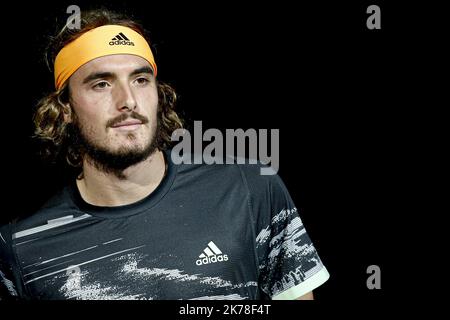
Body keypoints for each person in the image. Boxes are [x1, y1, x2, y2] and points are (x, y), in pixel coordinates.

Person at [0, 8, 329, 300]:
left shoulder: (249, 188)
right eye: (101, 84)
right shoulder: (23, 245)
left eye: (141, 79)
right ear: (65, 107)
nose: (127, 100)